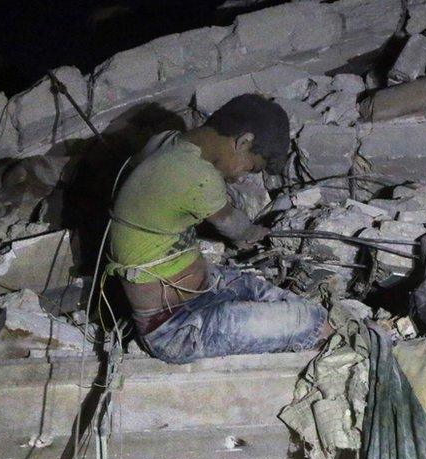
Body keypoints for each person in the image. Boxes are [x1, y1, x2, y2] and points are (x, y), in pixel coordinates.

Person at [106, 94, 328, 363]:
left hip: (204, 286)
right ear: (243, 141)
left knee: (283, 301)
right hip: (175, 329)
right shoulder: (197, 175)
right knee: (311, 320)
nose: (238, 177)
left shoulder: (164, 142)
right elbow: (236, 229)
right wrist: (256, 233)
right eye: (250, 166)